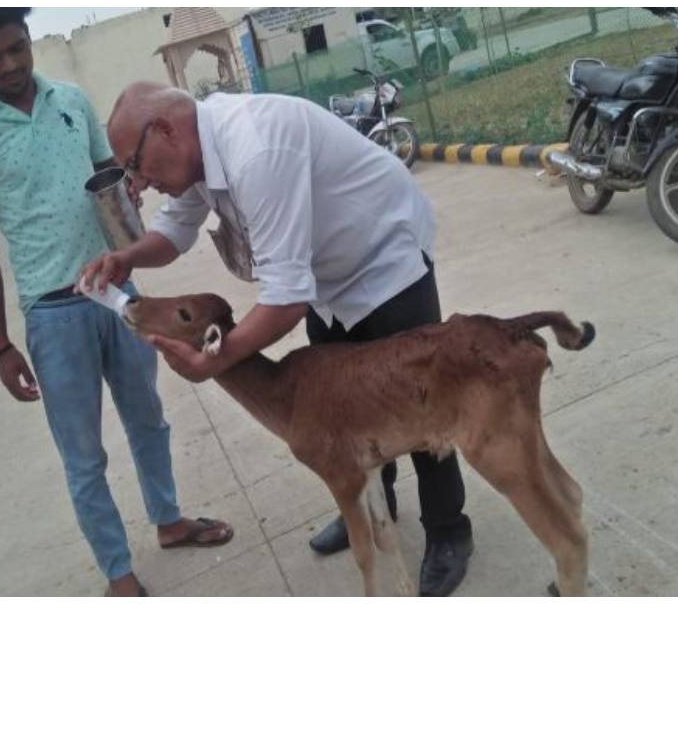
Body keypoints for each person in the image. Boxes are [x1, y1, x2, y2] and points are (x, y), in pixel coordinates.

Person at [79, 82, 475, 596]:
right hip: (327, 279)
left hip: (384, 258)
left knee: (423, 409)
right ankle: (373, 506)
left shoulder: (256, 150)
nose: (140, 183)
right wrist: (125, 260)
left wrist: (215, 362)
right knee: (347, 413)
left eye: (135, 165)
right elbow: (174, 234)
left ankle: (448, 530)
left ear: (166, 131)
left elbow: (285, 299)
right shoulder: (195, 158)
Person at [0, 10, 233, 598]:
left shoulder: (71, 101)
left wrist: (129, 219)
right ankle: (117, 570)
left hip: (119, 294)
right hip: (52, 312)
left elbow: (114, 178)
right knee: (83, 453)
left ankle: (169, 520)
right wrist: (0, 346)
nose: (11, 64)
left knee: (148, 417)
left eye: (17, 48)